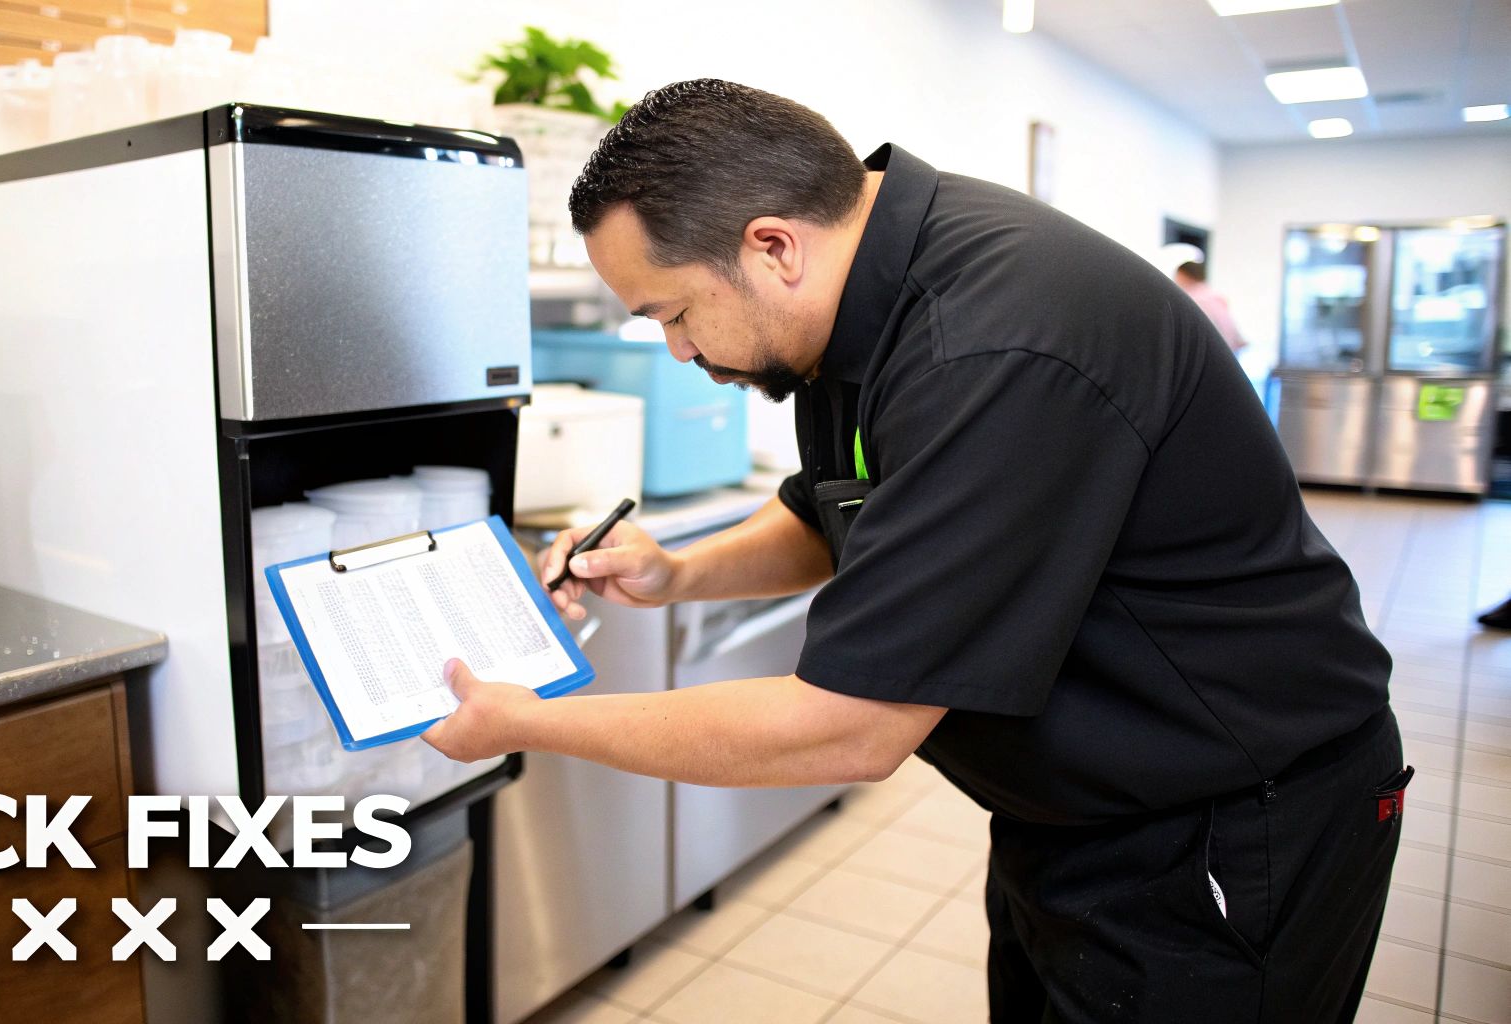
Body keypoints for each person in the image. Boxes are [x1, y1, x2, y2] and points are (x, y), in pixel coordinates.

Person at [422, 80, 1405, 1023]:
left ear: (772, 247)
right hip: (1073, 809)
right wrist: (679, 573)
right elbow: (833, 509)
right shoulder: (854, 307)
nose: (677, 351)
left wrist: (531, 722)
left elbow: (847, 727)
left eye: (672, 314)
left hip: (1230, 816)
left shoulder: (992, 342)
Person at [1165, 243, 1247, 353]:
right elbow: (1238, 339)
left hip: (1213, 355)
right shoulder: (1215, 296)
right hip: (1228, 355)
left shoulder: (1194, 300)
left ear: (1185, 275)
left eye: (1178, 276)